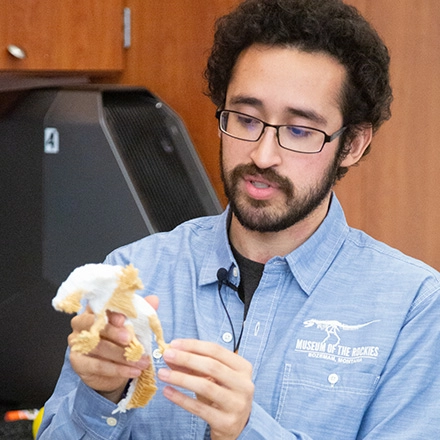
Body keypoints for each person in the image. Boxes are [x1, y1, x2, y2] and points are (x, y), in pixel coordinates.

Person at [38, 0, 440, 438]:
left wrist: (247, 431)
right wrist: (100, 395)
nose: (262, 156)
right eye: (245, 120)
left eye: (300, 130)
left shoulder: (414, 308)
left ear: (354, 144)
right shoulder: (135, 272)